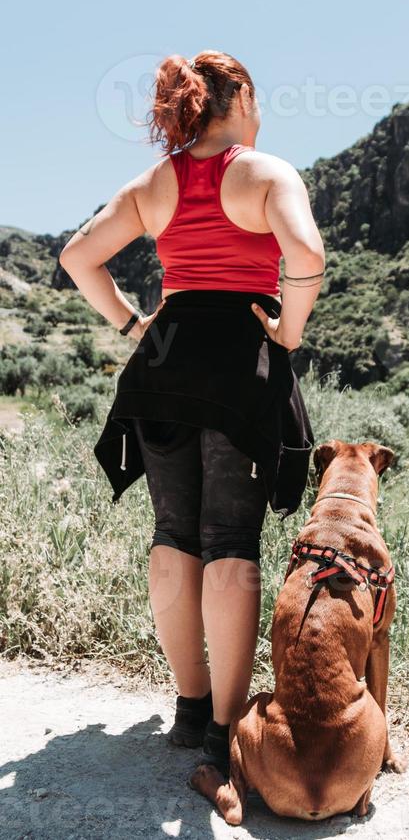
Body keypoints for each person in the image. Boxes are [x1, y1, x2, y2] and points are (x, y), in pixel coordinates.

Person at [58, 49, 325, 778]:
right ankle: (225, 731)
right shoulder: (265, 172)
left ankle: (188, 708)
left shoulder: (154, 182)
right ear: (236, 98)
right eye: (258, 98)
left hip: (165, 361)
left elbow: (79, 257)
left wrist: (133, 324)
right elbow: (305, 250)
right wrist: (291, 329)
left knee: (174, 532)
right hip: (238, 360)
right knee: (229, 537)